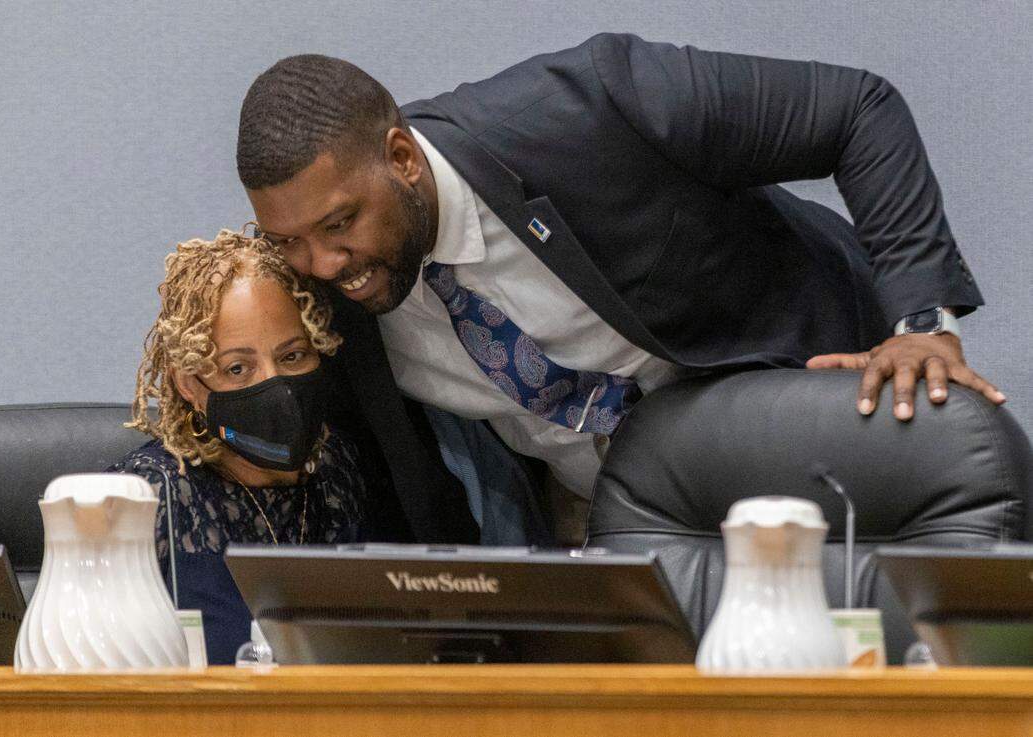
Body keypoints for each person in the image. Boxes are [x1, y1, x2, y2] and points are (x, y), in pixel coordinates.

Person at [233, 34, 1006, 545]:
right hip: (607, 523)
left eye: (340, 223)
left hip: (809, 425)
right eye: (289, 240)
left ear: (402, 156)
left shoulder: (592, 107)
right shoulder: (322, 285)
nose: (323, 262)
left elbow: (856, 111)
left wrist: (921, 321)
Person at [109, 228, 368, 664]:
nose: (274, 386)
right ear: (190, 384)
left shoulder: (337, 471)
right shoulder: (149, 498)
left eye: (291, 356)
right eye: (237, 368)